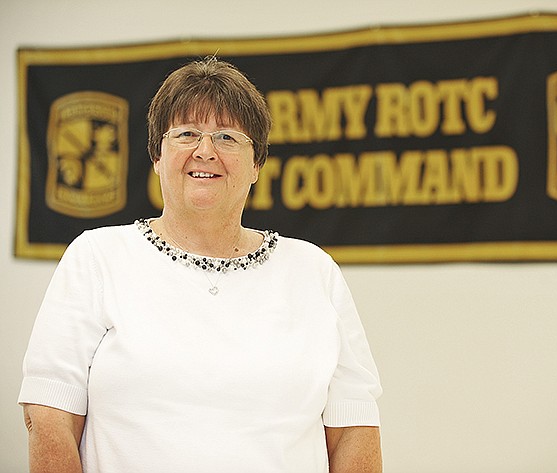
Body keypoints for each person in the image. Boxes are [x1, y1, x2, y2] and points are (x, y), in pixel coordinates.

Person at [18, 57, 382, 473]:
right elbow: (49, 417)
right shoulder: (97, 258)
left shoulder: (314, 271)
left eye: (227, 137)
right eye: (187, 133)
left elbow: (354, 427)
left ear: (257, 164)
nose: (205, 151)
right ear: (156, 156)